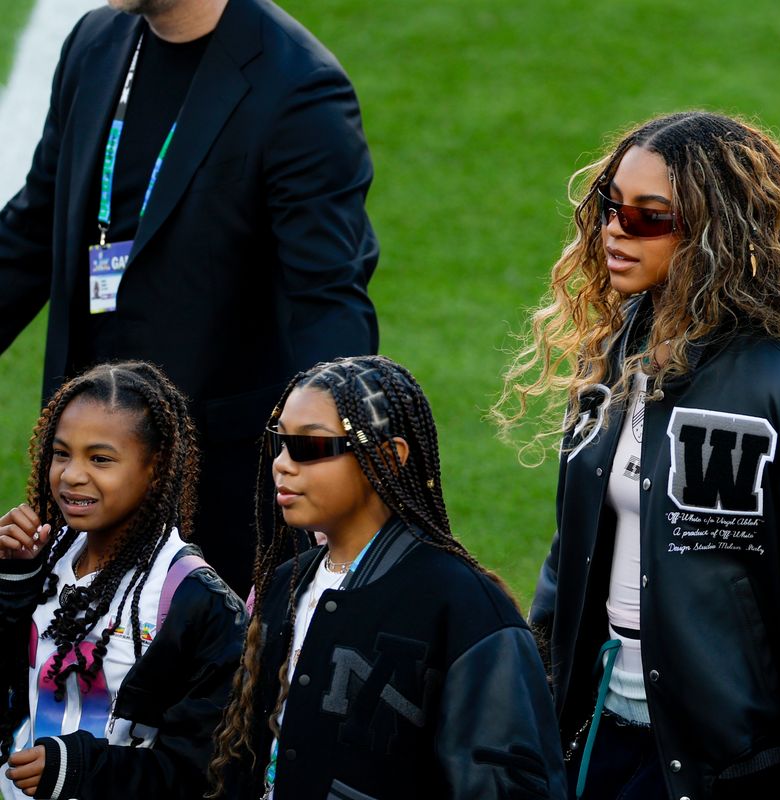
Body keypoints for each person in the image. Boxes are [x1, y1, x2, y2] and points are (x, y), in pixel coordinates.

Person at [496, 111, 780, 799]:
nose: (615, 230)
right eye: (610, 205)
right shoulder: (609, 360)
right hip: (594, 739)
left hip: (724, 771)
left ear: (715, 232)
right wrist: (536, 703)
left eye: (649, 217)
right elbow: (571, 553)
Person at [0, 0, 379, 597]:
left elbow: (327, 300)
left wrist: (333, 456)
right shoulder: (95, 42)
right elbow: (33, 227)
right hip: (86, 468)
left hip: (210, 493)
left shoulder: (299, 88)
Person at [208, 355, 567, 800]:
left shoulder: (463, 607)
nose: (282, 464)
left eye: (309, 446)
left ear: (387, 457)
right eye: (279, 442)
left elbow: (504, 784)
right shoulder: (284, 586)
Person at [0, 361, 246, 800]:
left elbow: (201, 771)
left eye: (100, 459)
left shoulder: (194, 600)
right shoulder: (42, 558)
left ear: (156, 467)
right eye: (61, 453)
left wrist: (80, 769)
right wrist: (12, 582)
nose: (71, 475)